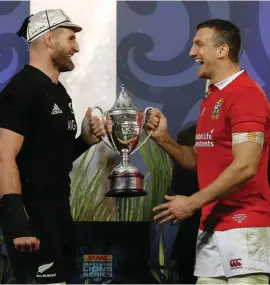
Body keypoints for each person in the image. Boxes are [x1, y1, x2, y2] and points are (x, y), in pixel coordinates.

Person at [146, 19, 270, 284]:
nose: (192, 53)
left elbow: (247, 165)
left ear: (222, 50)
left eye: (199, 44)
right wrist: (164, 139)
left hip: (243, 225)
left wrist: (191, 202)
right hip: (210, 226)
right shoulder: (213, 98)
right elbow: (199, 161)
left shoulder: (246, 94)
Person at [0, 9, 109, 284]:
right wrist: (18, 223)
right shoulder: (22, 89)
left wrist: (84, 140)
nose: (76, 47)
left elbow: (48, 156)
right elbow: (3, 156)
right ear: (49, 39)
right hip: (32, 221)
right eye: (70, 38)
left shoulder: (58, 91)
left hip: (58, 215)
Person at [170, 123, 200, 284]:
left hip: (246, 233)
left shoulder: (257, 130)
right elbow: (179, 187)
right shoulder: (189, 134)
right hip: (194, 239)